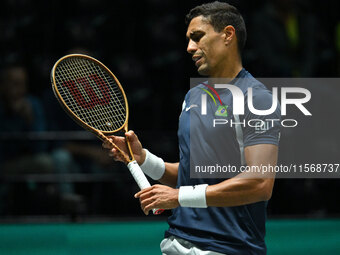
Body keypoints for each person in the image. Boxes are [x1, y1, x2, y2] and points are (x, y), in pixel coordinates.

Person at [103, 2, 280, 254]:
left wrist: (178, 197)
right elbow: (191, 174)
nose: (189, 48)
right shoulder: (193, 97)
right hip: (176, 241)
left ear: (228, 35)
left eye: (197, 37)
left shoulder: (256, 98)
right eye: (188, 40)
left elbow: (260, 183)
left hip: (225, 248)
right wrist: (143, 159)